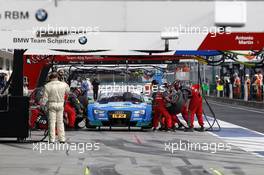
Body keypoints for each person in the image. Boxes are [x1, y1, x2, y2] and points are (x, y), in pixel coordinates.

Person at [42, 72, 70, 143]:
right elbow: (68, 92)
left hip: (51, 104)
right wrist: (64, 82)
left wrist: (42, 105)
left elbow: (45, 98)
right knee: (60, 122)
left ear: (50, 78)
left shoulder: (47, 86)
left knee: (52, 122)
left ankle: (52, 139)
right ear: (58, 77)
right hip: (60, 104)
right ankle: (62, 139)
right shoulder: (64, 84)